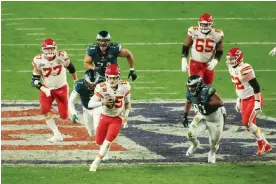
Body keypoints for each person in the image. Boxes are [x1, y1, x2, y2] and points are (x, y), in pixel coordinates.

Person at [226, 47, 272, 155]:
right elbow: (239, 85)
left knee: (247, 123)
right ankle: (267, 145)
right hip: (244, 99)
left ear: (239, 58)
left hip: (253, 98)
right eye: (229, 59)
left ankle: (261, 144)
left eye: (232, 59)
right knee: (249, 127)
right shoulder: (231, 67)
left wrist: (257, 103)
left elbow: (256, 86)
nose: (230, 61)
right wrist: (239, 99)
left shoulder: (245, 69)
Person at [31, 38, 78, 142]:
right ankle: (56, 134)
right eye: (47, 49)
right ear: (43, 50)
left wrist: (76, 81)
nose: (50, 51)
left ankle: (72, 113)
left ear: (55, 48)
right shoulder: (38, 60)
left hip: (61, 88)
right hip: (47, 88)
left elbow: (71, 68)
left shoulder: (61, 56)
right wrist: (44, 89)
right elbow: (34, 80)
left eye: (52, 48)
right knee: (44, 110)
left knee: (64, 116)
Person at [88, 64, 131, 171]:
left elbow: (128, 103)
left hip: (117, 118)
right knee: (99, 141)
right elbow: (90, 104)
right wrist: (102, 102)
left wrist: (126, 116)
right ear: (106, 77)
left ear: (118, 77)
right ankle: (104, 149)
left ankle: (95, 163)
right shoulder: (101, 87)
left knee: (107, 142)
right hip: (105, 116)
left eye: (114, 78)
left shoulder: (125, 86)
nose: (112, 80)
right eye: (110, 77)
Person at [182, 75, 225, 163]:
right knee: (190, 135)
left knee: (213, 142)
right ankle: (195, 144)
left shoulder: (207, 91)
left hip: (215, 119)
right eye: (189, 86)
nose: (190, 88)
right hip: (202, 116)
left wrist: (208, 104)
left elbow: (220, 102)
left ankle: (212, 153)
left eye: (193, 86)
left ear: (198, 85)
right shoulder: (190, 93)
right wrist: (185, 116)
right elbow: (188, 101)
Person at [181, 13, 224, 85]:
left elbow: (219, 51)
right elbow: (186, 46)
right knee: (195, 87)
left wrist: (214, 62)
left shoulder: (217, 34)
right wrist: (184, 60)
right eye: (202, 24)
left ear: (211, 24)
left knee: (207, 89)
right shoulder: (193, 31)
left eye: (206, 24)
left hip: (208, 64)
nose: (204, 26)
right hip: (195, 64)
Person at [68, 69, 103, 136]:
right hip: (86, 109)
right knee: (91, 132)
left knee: (97, 128)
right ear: (85, 81)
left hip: (98, 108)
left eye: (94, 84)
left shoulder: (103, 82)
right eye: (90, 84)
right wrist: (74, 114)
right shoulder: (79, 85)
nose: (92, 87)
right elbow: (71, 101)